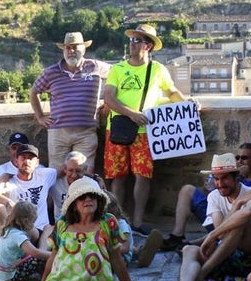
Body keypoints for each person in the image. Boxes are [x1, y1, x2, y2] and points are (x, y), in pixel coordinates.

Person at [144, 153, 251, 281]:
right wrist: (214, 234)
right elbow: (221, 232)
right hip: (225, 256)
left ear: (236, 177)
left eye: (224, 178)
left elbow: (247, 214)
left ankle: (200, 275)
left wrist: (238, 204)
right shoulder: (214, 196)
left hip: (250, 258)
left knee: (241, 223)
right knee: (189, 249)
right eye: (216, 179)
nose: (219, 183)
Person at [103, 24, 189, 234]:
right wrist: (131, 113)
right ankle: (118, 222)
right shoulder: (118, 69)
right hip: (118, 129)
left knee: (143, 176)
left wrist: (188, 105)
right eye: (132, 40)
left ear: (148, 46)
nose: (132, 44)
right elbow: (109, 98)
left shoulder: (158, 70)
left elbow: (171, 92)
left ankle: (138, 223)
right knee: (118, 177)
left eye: (137, 40)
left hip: (145, 132)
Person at [31, 31, 111, 166]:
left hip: (86, 132)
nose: (71, 51)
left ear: (84, 49)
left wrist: (109, 101)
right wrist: (40, 116)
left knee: (84, 173)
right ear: (63, 50)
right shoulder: (51, 72)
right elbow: (34, 92)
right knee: (57, 173)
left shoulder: (95, 66)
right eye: (68, 47)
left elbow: (119, 75)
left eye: (75, 47)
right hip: (58, 133)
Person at [0, 144, 58, 248]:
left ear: (37, 163)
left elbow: (66, 170)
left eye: (30, 158)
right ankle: (1, 237)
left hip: (37, 231)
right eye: (23, 158)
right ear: (16, 161)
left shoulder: (45, 175)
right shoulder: (9, 180)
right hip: (15, 230)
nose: (27, 161)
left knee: (48, 227)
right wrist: (8, 202)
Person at [49, 151, 87, 219]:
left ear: (84, 170)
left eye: (78, 171)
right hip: (61, 225)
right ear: (65, 169)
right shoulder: (55, 182)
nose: (74, 175)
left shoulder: (91, 185)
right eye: (70, 170)